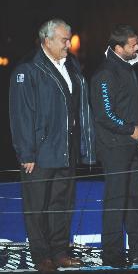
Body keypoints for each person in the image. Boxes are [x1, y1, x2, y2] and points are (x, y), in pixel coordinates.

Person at [9, 18, 95, 273]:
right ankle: (41, 255)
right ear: (47, 41)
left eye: (69, 39)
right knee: (37, 207)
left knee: (62, 204)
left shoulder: (72, 66)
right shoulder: (28, 70)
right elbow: (21, 115)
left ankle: (59, 252)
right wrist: (26, 152)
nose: (69, 44)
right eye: (64, 40)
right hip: (39, 154)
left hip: (65, 151)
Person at [90, 25, 138, 267]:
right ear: (118, 48)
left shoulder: (127, 68)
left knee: (135, 198)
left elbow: (130, 107)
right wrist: (131, 130)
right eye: (132, 45)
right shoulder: (105, 74)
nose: (137, 47)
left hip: (130, 144)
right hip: (113, 147)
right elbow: (104, 115)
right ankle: (112, 253)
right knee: (116, 200)